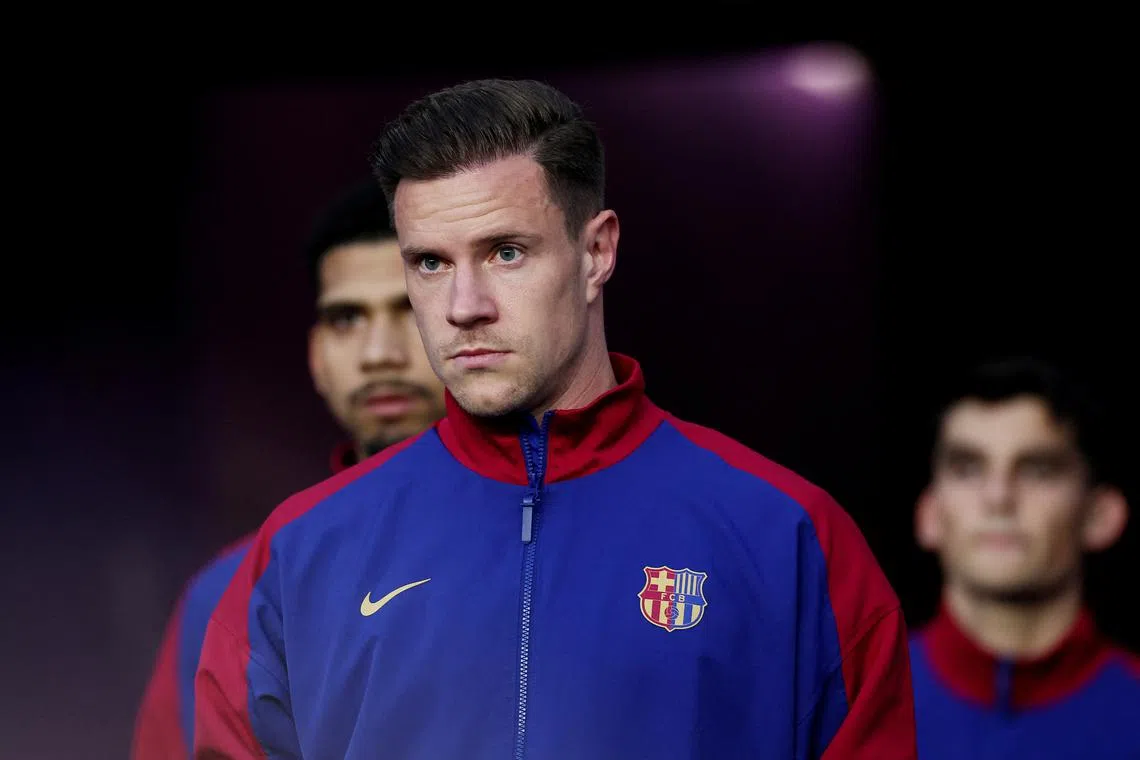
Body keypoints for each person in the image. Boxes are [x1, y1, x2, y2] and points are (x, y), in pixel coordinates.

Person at [194, 78, 917, 759]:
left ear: (596, 250)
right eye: (430, 264)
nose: (463, 306)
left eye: (505, 252)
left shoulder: (789, 539)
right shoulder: (301, 553)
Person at [130, 179, 446, 759]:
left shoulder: (550, 545)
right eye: (347, 318)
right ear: (317, 355)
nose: (379, 352)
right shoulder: (234, 589)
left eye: (412, 310)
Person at [909, 356, 1139, 758]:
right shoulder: (849, 707)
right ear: (929, 515)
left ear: (1100, 516)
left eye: (1038, 471)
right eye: (967, 469)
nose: (998, 498)